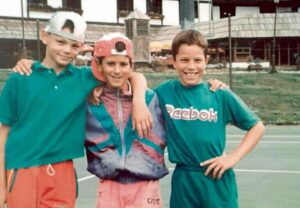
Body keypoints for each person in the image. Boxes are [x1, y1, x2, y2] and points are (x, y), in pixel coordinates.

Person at [0, 11, 151, 208]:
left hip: (63, 170)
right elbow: (3, 134)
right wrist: (1, 185)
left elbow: (131, 74)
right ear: (44, 37)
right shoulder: (19, 79)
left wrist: (139, 101)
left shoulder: (84, 78)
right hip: (22, 168)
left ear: (80, 47)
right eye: (60, 42)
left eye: (74, 45)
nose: (66, 50)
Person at [154, 30, 265, 208]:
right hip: (184, 180)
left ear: (206, 61)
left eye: (197, 60)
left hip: (217, 178)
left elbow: (257, 127)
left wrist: (232, 158)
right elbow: (134, 88)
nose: (191, 66)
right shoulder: (163, 92)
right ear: (173, 61)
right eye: (184, 60)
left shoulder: (219, 93)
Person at [85, 32, 168, 208]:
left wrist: (138, 98)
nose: (117, 70)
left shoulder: (150, 98)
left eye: (123, 64)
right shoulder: (92, 101)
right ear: (99, 65)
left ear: (131, 67)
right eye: (110, 63)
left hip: (146, 184)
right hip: (109, 184)